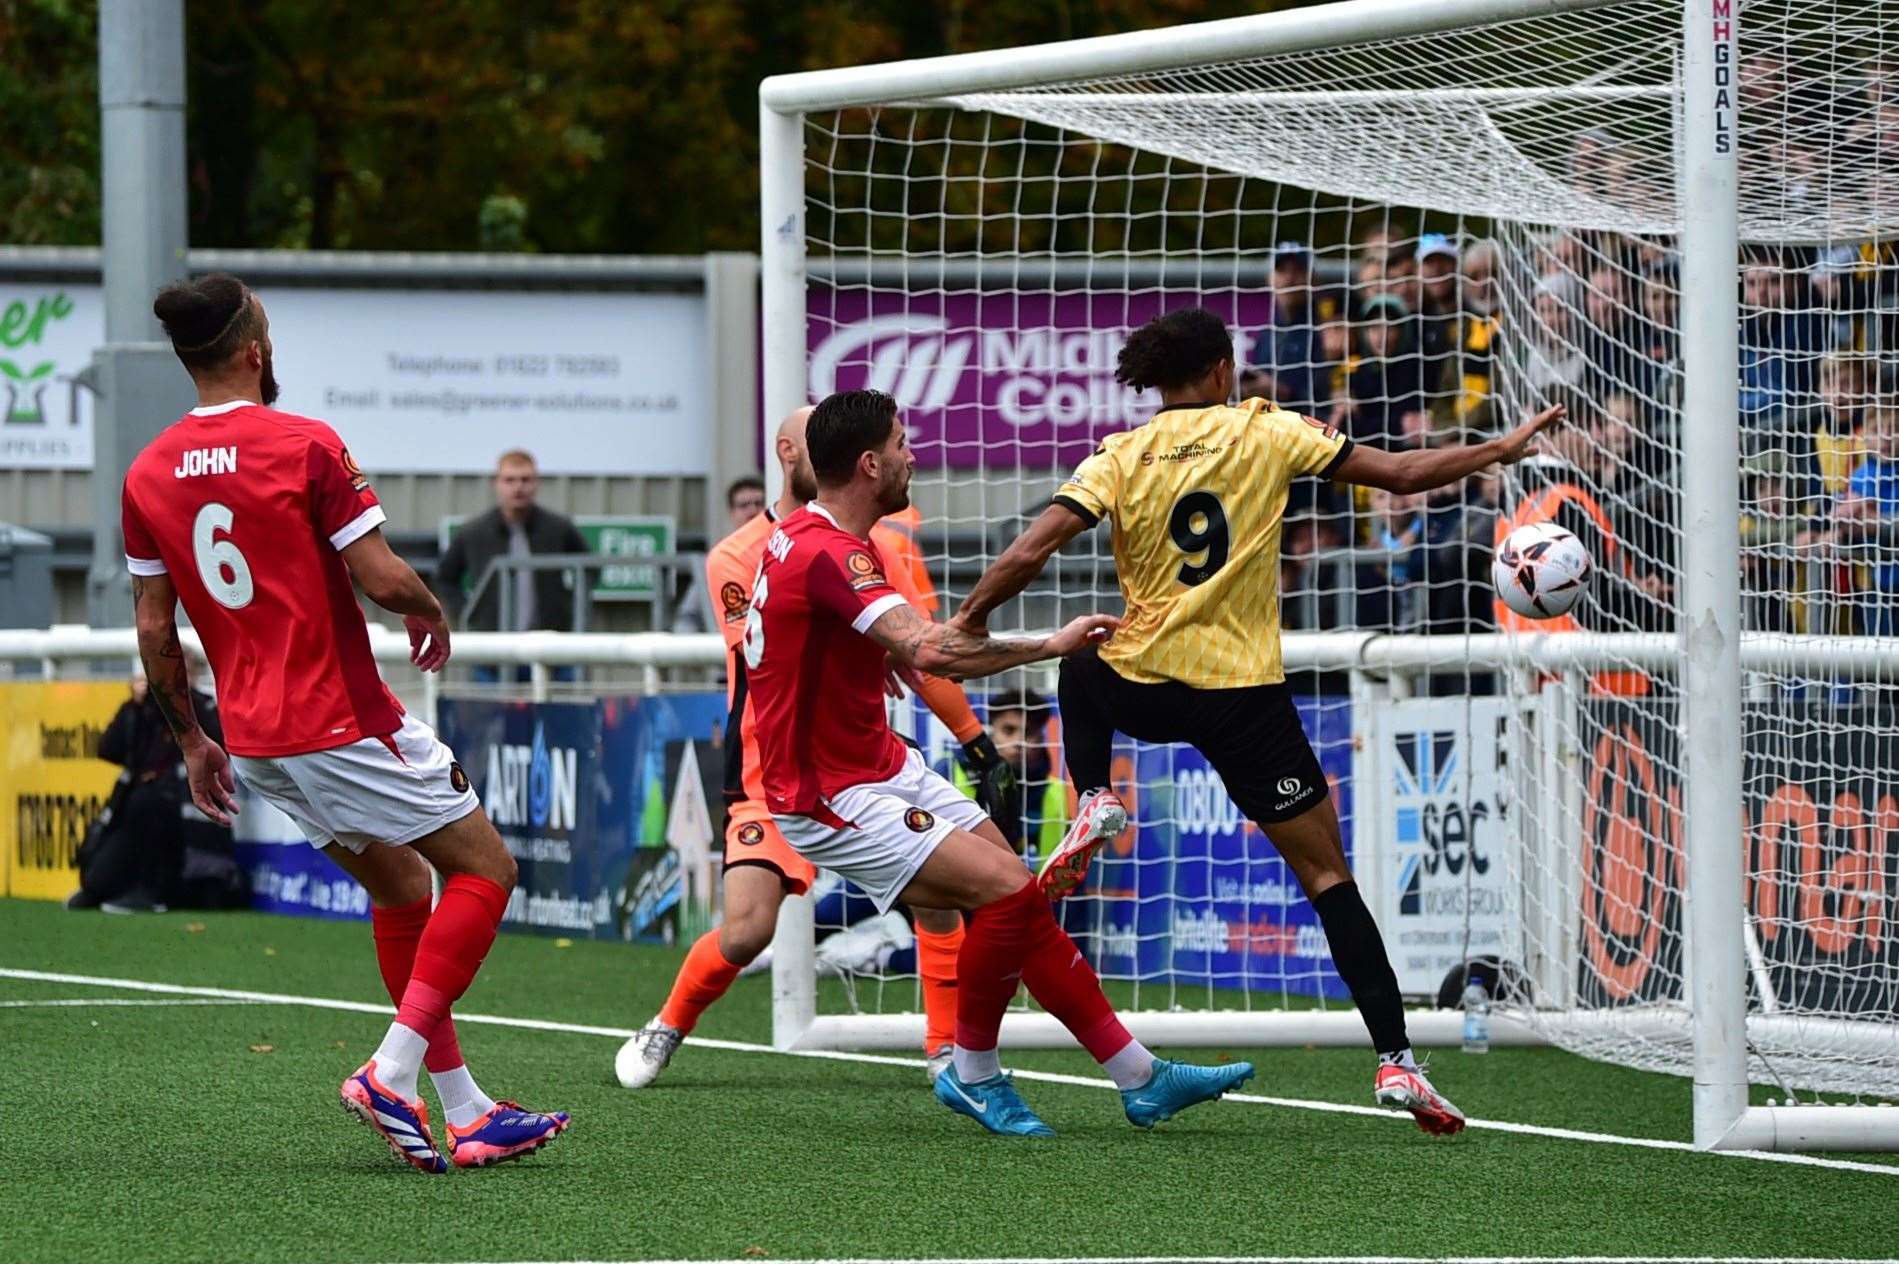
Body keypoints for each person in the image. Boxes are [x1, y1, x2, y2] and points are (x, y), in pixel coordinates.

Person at [952, 306, 1567, 1137]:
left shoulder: (1119, 456)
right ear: (1218, 371)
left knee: (1082, 652)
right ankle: (1395, 1061)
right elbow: (1399, 473)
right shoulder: (1265, 430)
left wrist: (968, 622)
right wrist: (1498, 448)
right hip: (1245, 699)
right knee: (1328, 882)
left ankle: (1094, 792)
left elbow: (1031, 549)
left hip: (1144, 682)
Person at [125, 273, 568, 1174]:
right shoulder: (305, 443)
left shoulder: (147, 471)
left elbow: (152, 627)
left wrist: (190, 740)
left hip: (254, 741)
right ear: (256, 350)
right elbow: (380, 575)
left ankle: (468, 1109)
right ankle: (390, 1071)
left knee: (404, 889)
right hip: (341, 717)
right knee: (486, 870)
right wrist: (430, 607)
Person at [743, 387, 1254, 1136]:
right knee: (1008, 893)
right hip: (827, 793)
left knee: (1017, 902)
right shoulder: (831, 552)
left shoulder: (807, 537)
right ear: (868, 464)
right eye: (901, 443)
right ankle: (971, 1070)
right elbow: (930, 649)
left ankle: (1141, 1077)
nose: (912, 455)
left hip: (876, 763)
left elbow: (873, 644)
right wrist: (1050, 645)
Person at [617, 406, 1018, 1088]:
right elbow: (785, 649)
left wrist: (974, 742)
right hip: (766, 768)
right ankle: (667, 1023)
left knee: (942, 898)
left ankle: (945, 1051)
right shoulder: (736, 557)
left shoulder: (875, 545)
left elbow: (918, 652)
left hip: (857, 763)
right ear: (788, 452)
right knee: (746, 932)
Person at [67, 677, 246, 914]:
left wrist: (182, 701)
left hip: (183, 815)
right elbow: (108, 749)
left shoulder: (202, 706)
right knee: (98, 881)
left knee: (150, 801)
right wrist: (134, 706)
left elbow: (219, 746)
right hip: (137, 812)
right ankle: (102, 890)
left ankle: (151, 892)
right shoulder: (145, 710)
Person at [435, 448, 589, 639]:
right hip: (492, 646)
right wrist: (469, 613)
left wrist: (567, 606)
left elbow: (588, 566)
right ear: (496, 483)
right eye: (510, 480)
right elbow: (445, 577)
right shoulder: (474, 532)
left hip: (550, 643)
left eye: (525, 480)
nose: (518, 487)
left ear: (536, 483)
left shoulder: (558, 528)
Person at [941, 687, 1067, 859]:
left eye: (1028, 732)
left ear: (1041, 736)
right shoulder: (949, 770)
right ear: (991, 731)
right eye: (1008, 730)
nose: (1018, 742)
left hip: (1036, 883)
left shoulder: (1057, 791)